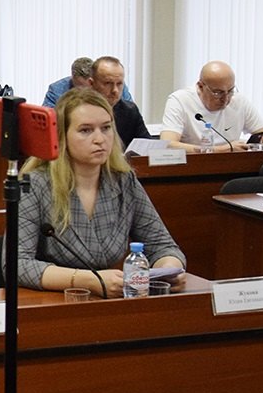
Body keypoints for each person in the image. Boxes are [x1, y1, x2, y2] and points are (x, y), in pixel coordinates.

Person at [12, 88, 186, 297]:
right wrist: (91, 280)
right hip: (53, 299)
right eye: (86, 130)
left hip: (111, 299)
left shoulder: (123, 180)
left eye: (106, 128)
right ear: (62, 136)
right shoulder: (34, 184)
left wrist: (169, 269)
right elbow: (17, 264)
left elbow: (162, 245)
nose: (100, 139)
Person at [159, 61, 263, 151]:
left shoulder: (239, 101)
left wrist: (255, 148)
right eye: (218, 93)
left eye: (230, 91)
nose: (226, 98)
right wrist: (221, 150)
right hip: (193, 166)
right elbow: (168, 144)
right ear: (200, 86)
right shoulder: (180, 100)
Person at [91, 56, 151, 151]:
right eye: (108, 83)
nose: (115, 90)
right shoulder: (78, 112)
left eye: (119, 84)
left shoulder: (129, 110)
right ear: (91, 84)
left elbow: (147, 145)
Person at [44, 56, 131, 108]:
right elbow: (49, 121)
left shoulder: (116, 85)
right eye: (80, 87)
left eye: (90, 87)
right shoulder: (56, 90)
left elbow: (130, 111)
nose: (86, 92)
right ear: (72, 78)